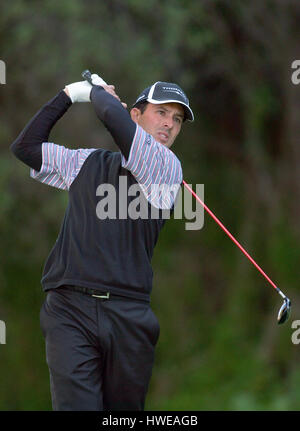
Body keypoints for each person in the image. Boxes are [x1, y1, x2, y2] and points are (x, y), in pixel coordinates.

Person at [10, 73, 194, 411]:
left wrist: (95, 92)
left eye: (177, 118)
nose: (169, 124)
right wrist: (67, 95)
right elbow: (25, 148)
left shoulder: (167, 168)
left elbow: (112, 117)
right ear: (136, 115)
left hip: (129, 316)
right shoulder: (87, 163)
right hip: (69, 310)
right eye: (162, 112)